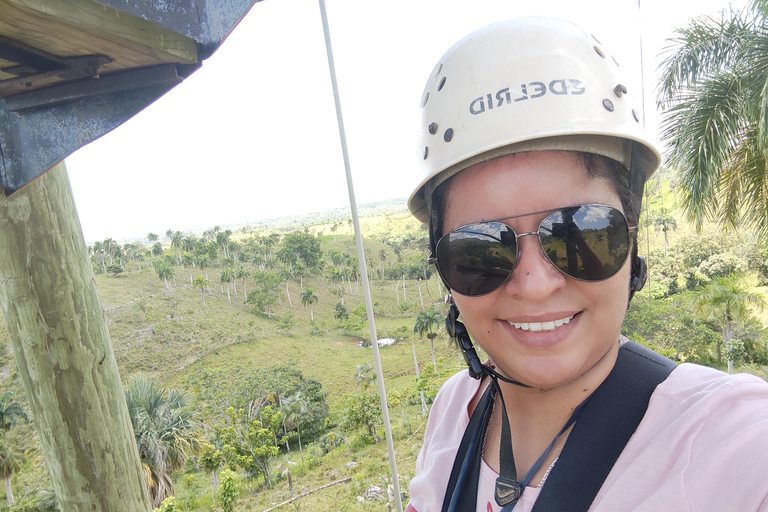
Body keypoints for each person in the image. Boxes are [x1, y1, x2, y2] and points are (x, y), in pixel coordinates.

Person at [405, 17, 768, 512]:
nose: (534, 285)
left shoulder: (729, 439)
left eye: (579, 233)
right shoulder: (455, 411)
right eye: (480, 250)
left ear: (634, 240)